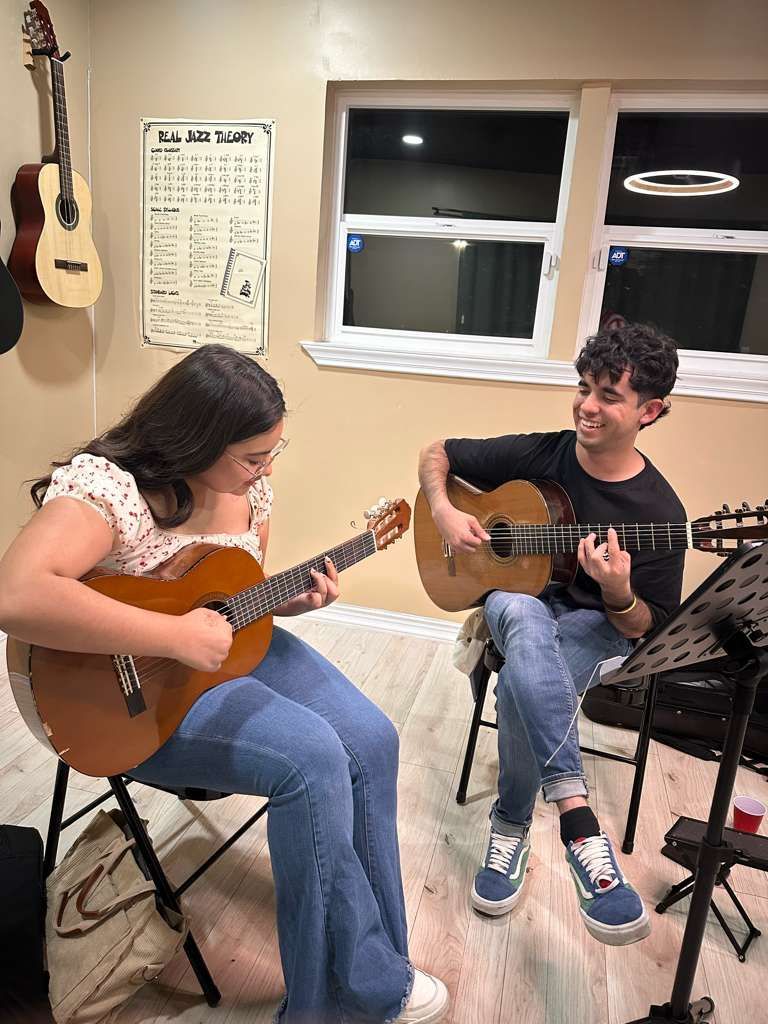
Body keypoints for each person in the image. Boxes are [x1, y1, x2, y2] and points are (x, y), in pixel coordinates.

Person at [0, 344, 448, 1024]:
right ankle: (332, 1000)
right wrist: (172, 637)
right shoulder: (110, 487)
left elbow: (223, 595)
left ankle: (377, 964)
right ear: (196, 439)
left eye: (272, 452)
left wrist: (284, 600)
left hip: (223, 655)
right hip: (128, 702)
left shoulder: (251, 490)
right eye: (252, 456)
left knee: (372, 739)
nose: (266, 470)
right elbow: (16, 595)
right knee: (313, 759)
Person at [417, 323, 685, 947]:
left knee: (523, 671)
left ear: (651, 410)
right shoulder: (546, 453)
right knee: (517, 605)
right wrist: (443, 509)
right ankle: (578, 819)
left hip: (598, 627)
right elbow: (437, 453)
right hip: (524, 606)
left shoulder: (660, 516)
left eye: (610, 396)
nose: (588, 406)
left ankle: (510, 823)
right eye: (585, 387)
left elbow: (649, 628)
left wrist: (617, 592)